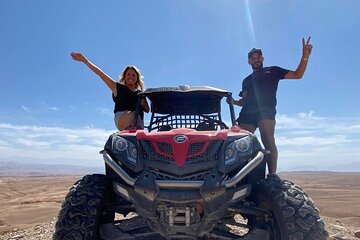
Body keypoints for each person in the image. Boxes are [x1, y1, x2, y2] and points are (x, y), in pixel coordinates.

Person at [232, 37, 313, 175]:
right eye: (253, 58)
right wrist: (232, 101)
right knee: (240, 141)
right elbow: (244, 102)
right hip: (247, 113)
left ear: (262, 59)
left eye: (258, 57)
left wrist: (305, 56)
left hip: (266, 110)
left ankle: (272, 175)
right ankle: (242, 176)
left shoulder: (273, 70)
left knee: (268, 139)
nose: (256, 59)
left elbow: (297, 75)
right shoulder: (246, 81)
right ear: (249, 61)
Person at [71, 52, 149, 131]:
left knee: (137, 116)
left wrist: (144, 104)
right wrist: (85, 60)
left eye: (133, 75)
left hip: (138, 122)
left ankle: (137, 135)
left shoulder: (140, 93)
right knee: (134, 115)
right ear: (125, 76)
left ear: (137, 77)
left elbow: (147, 110)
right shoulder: (117, 87)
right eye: (128, 74)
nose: (130, 77)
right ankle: (130, 131)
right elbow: (101, 74)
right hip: (122, 117)